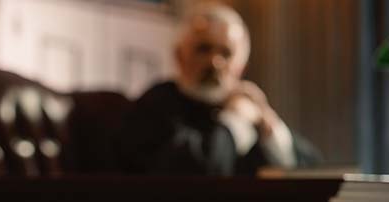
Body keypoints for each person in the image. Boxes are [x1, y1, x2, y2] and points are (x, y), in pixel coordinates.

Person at [122, 3, 320, 175]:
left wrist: (269, 126)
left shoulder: (249, 106)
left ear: (241, 66)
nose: (215, 62)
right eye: (203, 49)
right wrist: (235, 121)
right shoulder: (157, 104)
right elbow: (194, 173)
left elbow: (311, 169)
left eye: (226, 53)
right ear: (179, 56)